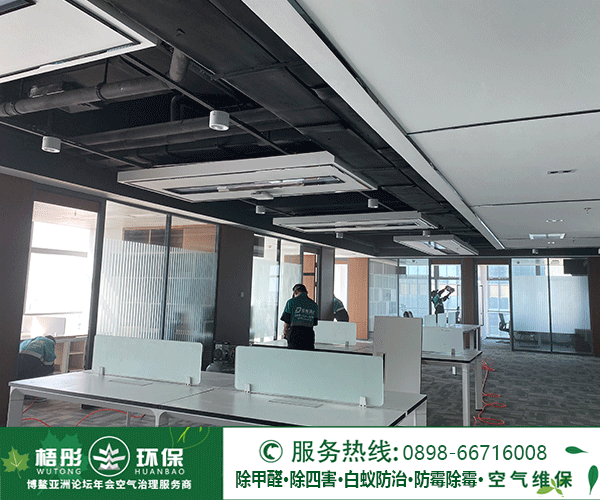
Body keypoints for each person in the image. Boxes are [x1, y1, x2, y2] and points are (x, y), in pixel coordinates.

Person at [280, 284, 319, 350]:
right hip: (309, 336)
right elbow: (314, 323)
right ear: (307, 292)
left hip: (294, 335)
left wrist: (285, 334)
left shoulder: (291, 302)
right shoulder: (314, 305)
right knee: (308, 355)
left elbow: (286, 323)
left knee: (294, 355)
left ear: (295, 292)